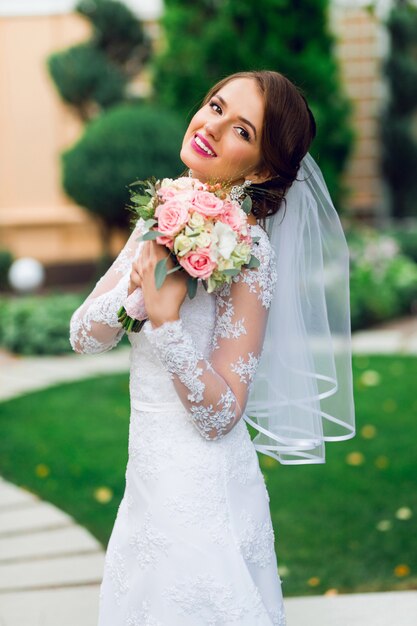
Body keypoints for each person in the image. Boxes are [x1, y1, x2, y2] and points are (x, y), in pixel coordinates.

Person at [70, 70, 355, 625]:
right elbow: (83, 335)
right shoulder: (164, 214)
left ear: (265, 167)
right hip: (147, 484)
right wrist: (135, 296)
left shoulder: (249, 254)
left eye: (241, 130)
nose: (213, 126)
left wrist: (167, 322)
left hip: (202, 494)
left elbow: (222, 413)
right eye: (215, 106)